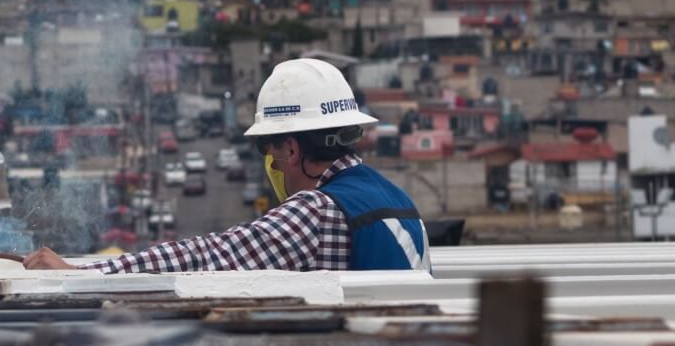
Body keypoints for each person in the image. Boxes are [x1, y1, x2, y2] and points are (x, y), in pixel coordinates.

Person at [24, 58, 430, 273]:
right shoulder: (395, 197)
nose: (272, 166)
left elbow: (208, 255)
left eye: (269, 153)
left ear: (291, 149)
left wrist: (86, 272)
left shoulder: (316, 213)